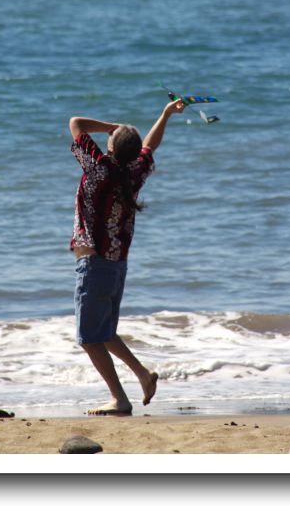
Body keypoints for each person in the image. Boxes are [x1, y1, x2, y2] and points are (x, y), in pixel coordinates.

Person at [68, 98, 185, 416]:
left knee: (89, 338)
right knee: (104, 332)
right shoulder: (135, 171)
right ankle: (143, 376)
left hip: (94, 264)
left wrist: (110, 126)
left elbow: (75, 122)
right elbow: (150, 147)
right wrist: (164, 116)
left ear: (111, 148)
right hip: (117, 265)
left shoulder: (100, 169)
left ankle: (119, 399)